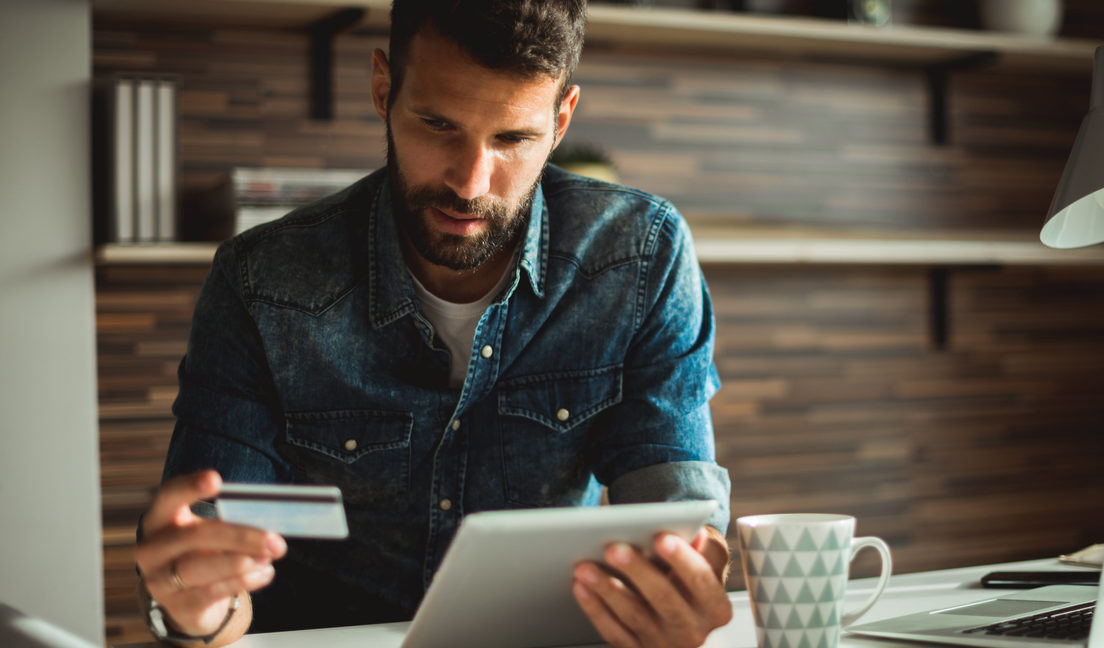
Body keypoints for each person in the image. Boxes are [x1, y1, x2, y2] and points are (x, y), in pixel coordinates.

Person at [132, 1, 731, 646]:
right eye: (437, 124)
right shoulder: (262, 283)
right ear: (384, 90)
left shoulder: (640, 256)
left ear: (561, 121)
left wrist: (688, 578)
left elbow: (676, 509)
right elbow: (212, 565)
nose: (470, 184)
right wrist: (199, 609)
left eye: (512, 139)